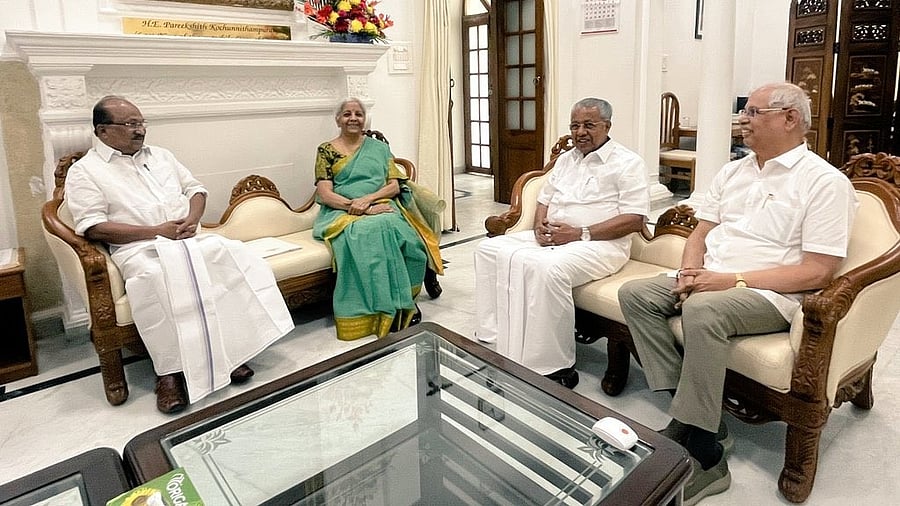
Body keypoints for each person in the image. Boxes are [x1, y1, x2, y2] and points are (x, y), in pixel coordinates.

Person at [618, 82, 858, 505]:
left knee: (705, 311)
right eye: (744, 112)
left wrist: (728, 281)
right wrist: (692, 271)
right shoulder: (734, 171)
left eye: (753, 112)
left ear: (790, 119)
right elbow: (701, 231)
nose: (742, 120)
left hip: (770, 294)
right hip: (714, 279)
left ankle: (705, 453)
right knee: (636, 295)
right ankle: (691, 415)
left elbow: (818, 270)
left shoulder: (823, 182)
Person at [65, 96, 294, 414]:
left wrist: (191, 219)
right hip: (138, 249)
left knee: (231, 256)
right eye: (130, 124)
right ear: (103, 131)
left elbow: (195, 189)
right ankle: (169, 374)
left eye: (141, 122)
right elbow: (93, 227)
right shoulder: (85, 172)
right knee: (156, 279)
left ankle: (229, 355)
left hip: (187, 239)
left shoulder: (161, 156)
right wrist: (156, 231)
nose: (139, 130)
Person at [474, 97, 650, 388]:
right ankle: (495, 337)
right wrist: (540, 225)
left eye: (589, 125)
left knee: (547, 269)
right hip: (557, 238)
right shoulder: (566, 160)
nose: (580, 132)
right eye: (575, 125)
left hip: (603, 245)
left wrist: (579, 233)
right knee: (489, 249)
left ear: (607, 126)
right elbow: (545, 198)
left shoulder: (628, 163)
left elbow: (634, 219)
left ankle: (554, 365)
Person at [312, 98, 443, 341]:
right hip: (340, 211)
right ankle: (382, 310)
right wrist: (356, 206)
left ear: (365, 119)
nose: (353, 118)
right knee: (369, 233)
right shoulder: (326, 151)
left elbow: (393, 186)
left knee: (407, 238)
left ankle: (405, 302)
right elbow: (325, 193)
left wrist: (369, 200)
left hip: (381, 204)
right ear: (338, 119)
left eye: (358, 114)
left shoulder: (379, 148)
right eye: (347, 114)